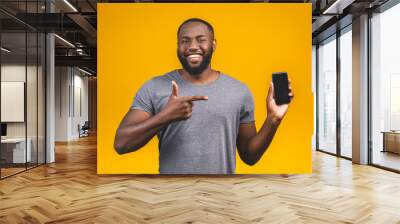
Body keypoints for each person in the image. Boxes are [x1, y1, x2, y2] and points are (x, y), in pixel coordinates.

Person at [114, 18, 294, 174]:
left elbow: (250, 156)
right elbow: (121, 144)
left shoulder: (239, 90)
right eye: (185, 40)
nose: (192, 46)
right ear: (178, 45)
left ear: (213, 44)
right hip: (170, 195)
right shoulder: (154, 87)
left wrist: (273, 119)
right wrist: (164, 117)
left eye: (201, 40)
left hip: (221, 195)